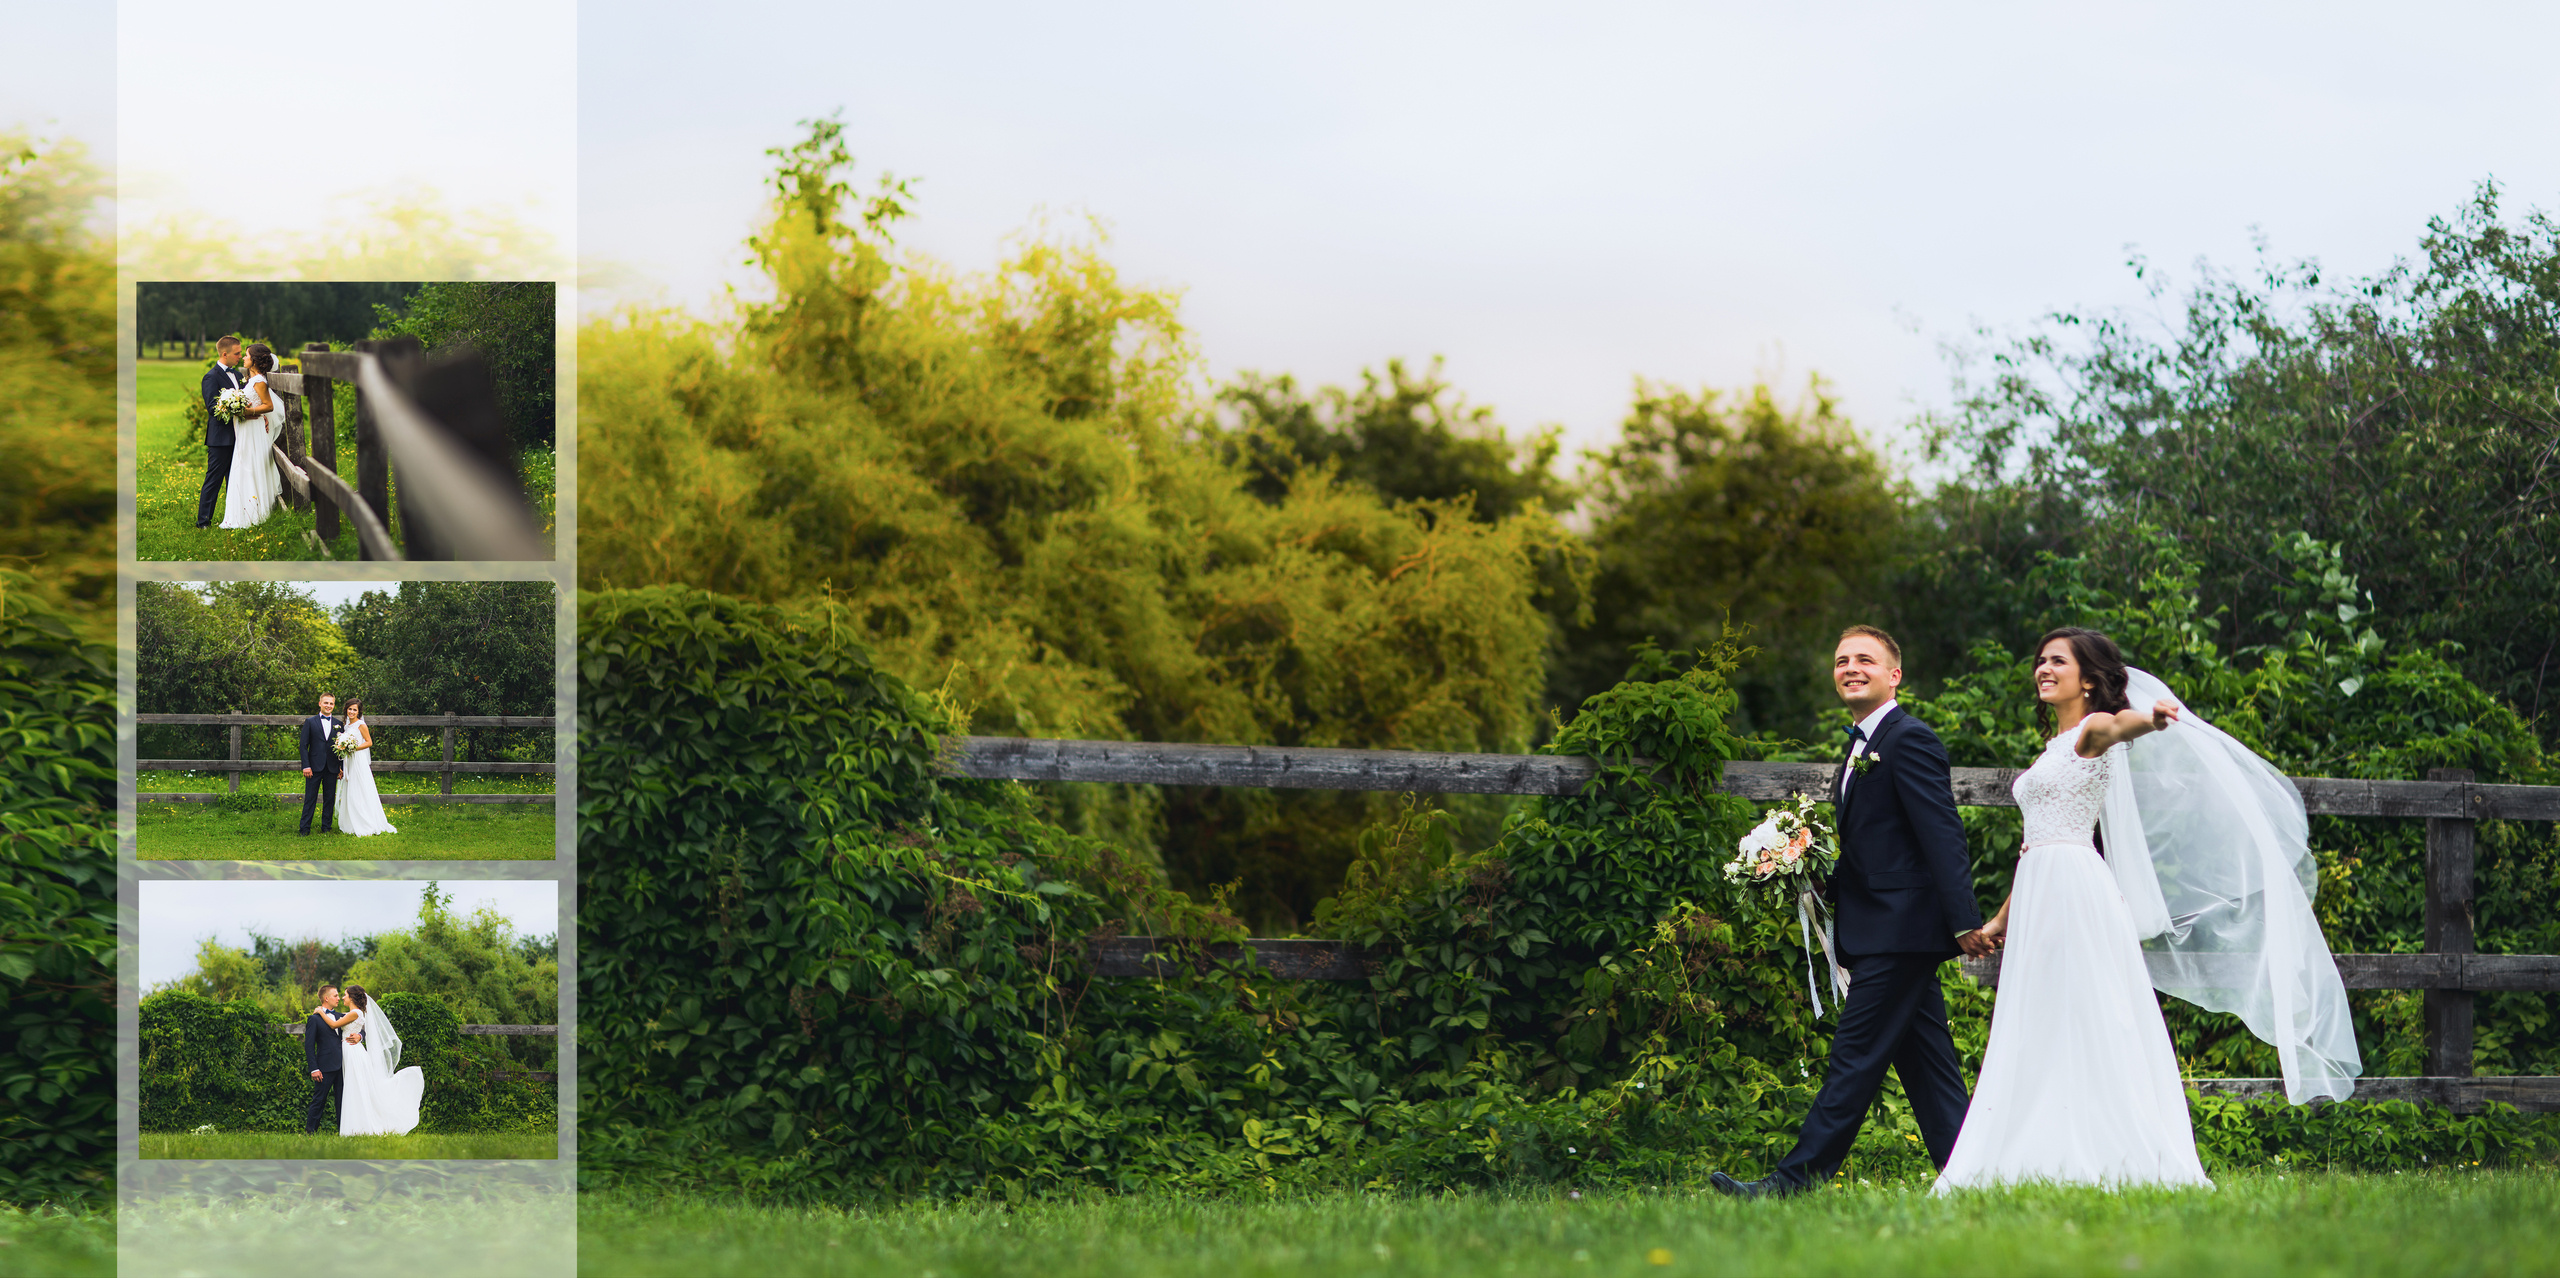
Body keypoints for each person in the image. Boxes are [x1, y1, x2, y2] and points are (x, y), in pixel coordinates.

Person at [1932, 626, 2358, 1190]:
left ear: (2088, 680)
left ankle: (2116, 1147)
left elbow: (2118, 726)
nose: (2043, 668)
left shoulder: (2092, 731)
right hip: (2042, 890)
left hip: (2075, 895)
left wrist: (2152, 720)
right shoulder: (2054, 749)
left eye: (2058, 661)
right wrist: (2000, 921)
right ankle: (2042, 1145)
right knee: (2041, 1015)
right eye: (2040, 660)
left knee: (2091, 1012)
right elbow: (2037, 844)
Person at [1711, 625, 1989, 1197]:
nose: (1850, 668)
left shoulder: (1909, 739)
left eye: (1865, 659)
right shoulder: (1858, 745)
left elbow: (1942, 835)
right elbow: (1880, 847)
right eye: (1841, 661)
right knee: (1930, 1070)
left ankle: (1790, 1185)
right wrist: (1802, 865)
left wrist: (1964, 920)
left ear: (1895, 675)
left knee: (1854, 1061)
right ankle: (1975, 1179)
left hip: (1901, 930)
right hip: (1884, 927)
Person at [335, 984, 426, 1136]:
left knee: (356, 1086)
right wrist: (359, 1034)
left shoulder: (355, 1013)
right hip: (351, 1051)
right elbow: (352, 1024)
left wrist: (320, 1012)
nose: (342, 997)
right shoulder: (353, 1013)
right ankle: (355, 1125)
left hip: (353, 1052)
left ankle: (358, 1126)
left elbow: (340, 1024)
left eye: (345, 994)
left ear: (351, 997)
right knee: (356, 1087)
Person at [215, 343, 285, 529]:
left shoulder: (259, 381)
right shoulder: (252, 379)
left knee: (250, 466)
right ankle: (245, 511)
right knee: (244, 466)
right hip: (247, 429)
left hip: (253, 430)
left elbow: (268, 405)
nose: (244, 358)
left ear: (254, 360)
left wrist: (247, 411)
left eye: (246, 355)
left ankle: (254, 513)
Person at [194, 337, 245, 528]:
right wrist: (237, 407)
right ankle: (203, 521)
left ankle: (237, 517)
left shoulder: (239, 375)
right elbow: (212, 407)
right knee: (213, 480)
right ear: (225, 354)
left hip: (241, 436)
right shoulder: (211, 377)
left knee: (237, 479)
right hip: (221, 438)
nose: (240, 356)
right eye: (237, 353)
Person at [333, 698, 400, 837]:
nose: (351, 712)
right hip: (349, 760)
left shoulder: (361, 724)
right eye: (350, 709)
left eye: (354, 710)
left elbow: (369, 742)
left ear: (359, 712)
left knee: (359, 788)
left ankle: (366, 821)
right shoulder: (346, 726)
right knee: (350, 788)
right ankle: (350, 821)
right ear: (346, 709)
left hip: (358, 760)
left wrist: (353, 747)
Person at [303, 985, 348, 1133]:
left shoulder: (342, 1016)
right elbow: (309, 1046)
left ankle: (344, 1131)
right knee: (319, 1100)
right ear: (326, 998)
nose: (338, 998)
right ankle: (310, 1131)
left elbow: (359, 1027)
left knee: (343, 1100)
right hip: (324, 1067)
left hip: (343, 1065)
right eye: (335, 995)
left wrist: (360, 1036)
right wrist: (314, 1068)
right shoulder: (314, 1019)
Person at [299, 693, 344, 836]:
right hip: (313, 767)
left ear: (334, 705)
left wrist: (341, 767)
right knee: (310, 798)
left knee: (329, 798)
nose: (328, 706)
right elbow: (303, 745)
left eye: (331, 703)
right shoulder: (310, 722)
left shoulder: (339, 724)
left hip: (332, 767)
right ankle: (304, 828)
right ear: (320, 704)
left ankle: (326, 827)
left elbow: (342, 748)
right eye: (326, 703)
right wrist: (306, 766)